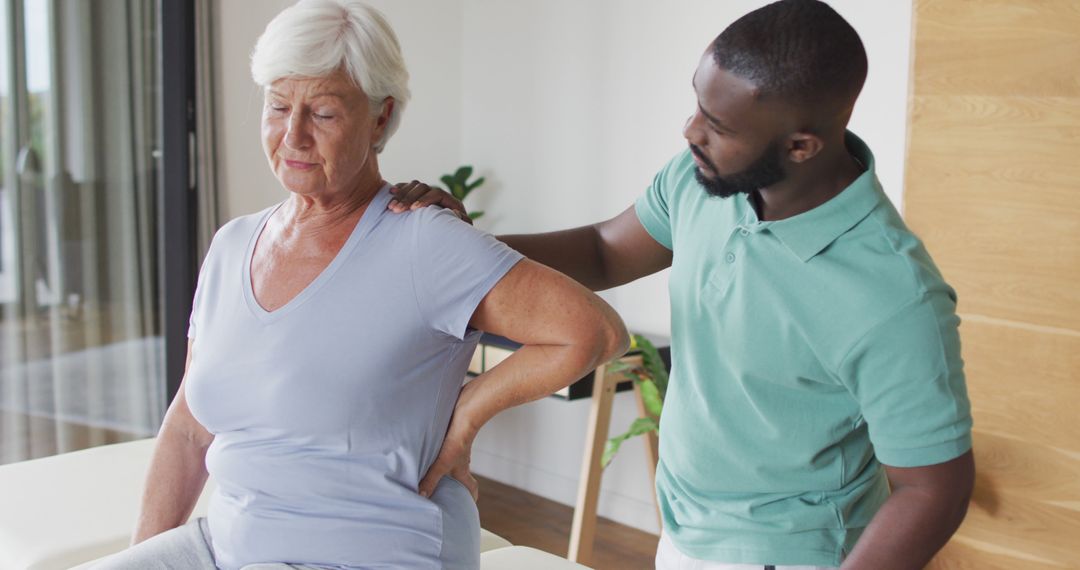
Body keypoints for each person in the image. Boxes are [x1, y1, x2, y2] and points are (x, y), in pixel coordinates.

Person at [389, 1, 974, 568]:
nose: (691, 130)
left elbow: (932, 489)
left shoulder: (893, 295)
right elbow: (604, 250)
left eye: (718, 126)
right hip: (686, 527)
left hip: (790, 552)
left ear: (801, 146)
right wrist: (458, 246)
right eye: (698, 103)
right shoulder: (701, 180)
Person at [92, 1, 628, 569]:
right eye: (277, 107)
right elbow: (189, 428)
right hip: (226, 543)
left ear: (379, 117)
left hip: (365, 550)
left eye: (322, 113)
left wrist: (467, 415)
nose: (293, 135)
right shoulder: (231, 246)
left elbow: (592, 331)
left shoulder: (423, 241)